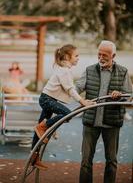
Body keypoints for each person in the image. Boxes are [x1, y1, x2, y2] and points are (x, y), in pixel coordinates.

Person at [75, 40, 132, 183]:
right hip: (90, 122)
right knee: (86, 161)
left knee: (111, 161)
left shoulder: (123, 72)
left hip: (112, 123)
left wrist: (119, 95)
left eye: (105, 55)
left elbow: (128, 97)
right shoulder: (89, 70)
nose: (101, 57)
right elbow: (76, 89)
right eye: (99, 54)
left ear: (113, 55)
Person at [31, 44, 95, 170]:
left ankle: (34, 156)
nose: (78, 58)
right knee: (66, 114)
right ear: (67, 57)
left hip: (47, 98)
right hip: (47, 99)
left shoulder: (63, 69)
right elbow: (70, 89)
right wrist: (82, 101)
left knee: (40, 132)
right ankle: (44, 126)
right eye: (76, 56)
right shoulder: (64, 71)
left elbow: (70, 89)